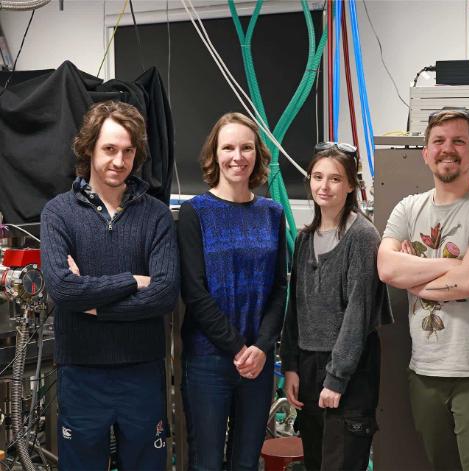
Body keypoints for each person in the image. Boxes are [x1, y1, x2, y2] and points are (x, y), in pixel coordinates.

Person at [41, 100, 180, 470]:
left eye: (128, 151)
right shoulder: (58, 213)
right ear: (88, 148)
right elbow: (62, 290)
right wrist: (132, 281)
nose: (119, 161)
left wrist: (93, 302)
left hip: (142, 372)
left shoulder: (156, 216)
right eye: (109, 149)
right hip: (82, 372)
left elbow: (165, 294)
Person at [377, 110, 469, 470]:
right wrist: (455, 265)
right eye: (438, 141)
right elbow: (386, 268)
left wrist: (414, 277)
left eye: (458, 141)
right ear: (425, 152)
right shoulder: (408, 208)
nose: (447, 149)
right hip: (425, 369)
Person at [178, 112, 287, 471]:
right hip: (209, 358)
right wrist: (238, 347)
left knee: (246, 461)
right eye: (228, 147)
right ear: (214, 154)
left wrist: (261, 347)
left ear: (257, 155)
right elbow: (195, 292)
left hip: (258, 362)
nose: (237, 156)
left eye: (246, 147)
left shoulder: (272, 213)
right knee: (206, 462)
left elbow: (279, 287)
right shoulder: (196, 212)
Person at [280, 142, 392, 470]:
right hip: (308, 367)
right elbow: (295, 310)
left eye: (335, 179)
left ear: (351, 186)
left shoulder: (362, 237)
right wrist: (290, 366)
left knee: (341, 463)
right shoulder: (304, 239)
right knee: (316, 461)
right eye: (317, 177)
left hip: (349, 370)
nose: (324, 186)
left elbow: (358, 313)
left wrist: (336, 378)